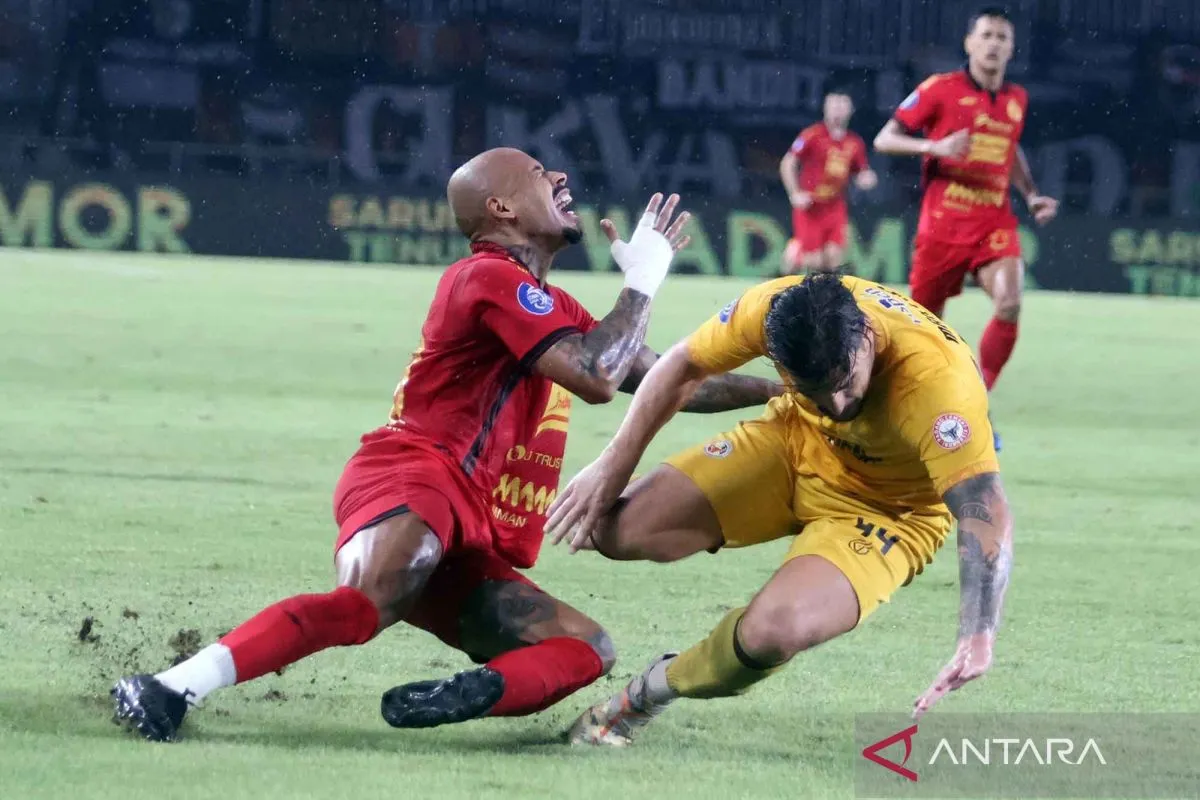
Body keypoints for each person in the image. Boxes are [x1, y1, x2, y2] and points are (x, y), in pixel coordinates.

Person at [111, 147, 780, 742]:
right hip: (411, 472)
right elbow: (598, 377)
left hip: (466, 510)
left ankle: (463, 696)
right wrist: (642, 282)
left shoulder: (549, 304)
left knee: (585, 648)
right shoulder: (485, 276)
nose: (559, 176)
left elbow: (669, 379)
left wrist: (785, 390)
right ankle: (170, 687)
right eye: (538, 173)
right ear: (501, 208)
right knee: (363, 607)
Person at [544, 272, 1014, 746]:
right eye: (813, 390)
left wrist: (978, 635)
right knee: (612, 529)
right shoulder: (772, 310)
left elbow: (984, 507)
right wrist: (611, 467)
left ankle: (649, 691)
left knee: (770, 633)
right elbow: (682, 364)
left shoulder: (937, 383)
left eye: (845, 383)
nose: (835, 405)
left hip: (889, 511)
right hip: (793, 446)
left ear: (867, 337)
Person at [873, 6, 1059, 451]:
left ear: (1011, 49)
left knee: (1010, 302)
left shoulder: (1016, 99)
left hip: (993, 221)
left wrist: (1031, 193)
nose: (993, 43)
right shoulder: (939, 89)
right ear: (969, 43)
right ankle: (891, 414)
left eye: (1002, 37)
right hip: (942, 226)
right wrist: (934, 146)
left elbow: (1010, 149)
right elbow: (884, 139)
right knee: (923, 333)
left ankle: (975, 401)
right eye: (986, 35)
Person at [779, 90, 878, 275]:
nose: (837, 110)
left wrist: (867, 179)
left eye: (842, 105)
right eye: (833, 105)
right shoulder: (812, 135)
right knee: (814, 262)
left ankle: (800, 253)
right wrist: (794, 193)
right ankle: (795, 250)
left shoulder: (854, 143)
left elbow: (861, 172)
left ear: (851, 110)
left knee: (834, 259)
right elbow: (788, 163)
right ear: (825, 108)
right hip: (811, 206)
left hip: (835, 206)